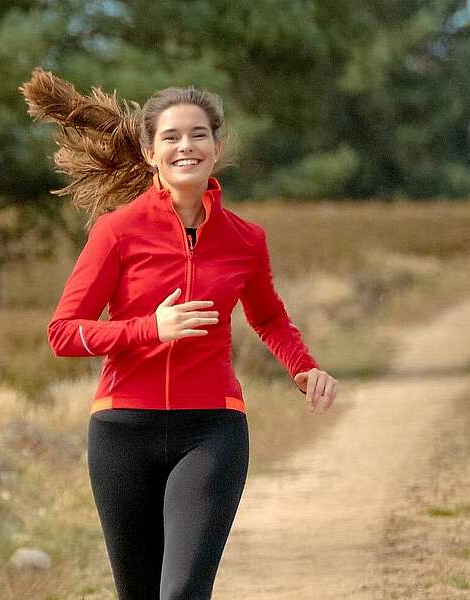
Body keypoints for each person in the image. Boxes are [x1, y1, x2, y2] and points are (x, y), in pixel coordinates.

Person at [19, 69, 340, 599]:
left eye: (197, 134)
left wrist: (304, 367)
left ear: (217, 147)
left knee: (183, 592)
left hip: (211, 430)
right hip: (123, 432)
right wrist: (150, 329)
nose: (185, 146)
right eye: (170, 137)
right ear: (150, 154)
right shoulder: (117, 231)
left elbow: (269, 317)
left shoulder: (245, 239)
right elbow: (62, 334)